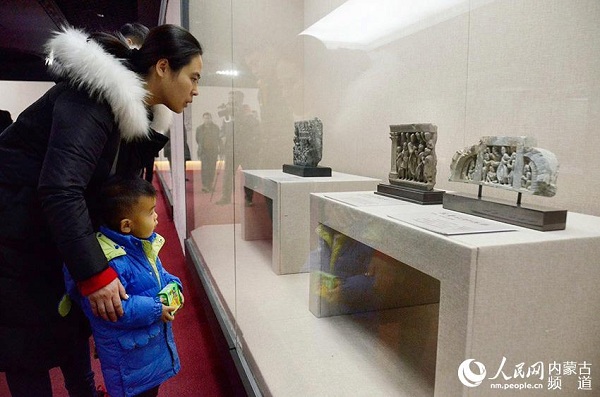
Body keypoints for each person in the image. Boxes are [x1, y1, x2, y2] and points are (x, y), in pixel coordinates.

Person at [0, 24, 202, 396]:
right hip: (17, 235)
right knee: (25, 345)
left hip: (55, 232)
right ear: (162, 67)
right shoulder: (91, 99)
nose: (195, 89)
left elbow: (111, 195)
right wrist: (95, 274)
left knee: (72, 329)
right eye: (192, 76)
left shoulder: (135, 119)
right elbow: (61, 188)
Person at [63, 176, 183, 397]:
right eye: (150, 212)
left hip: (147, 351)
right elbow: (113, 309)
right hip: (129, 362)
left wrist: (173, 284)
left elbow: (158, 274)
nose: (157, 217)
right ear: (127, 225)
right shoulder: (110, 262)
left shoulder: (141, 246)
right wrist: (156, 308)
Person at [195, 112, 221, 192]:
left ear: (211, 118)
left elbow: (218, 139)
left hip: (213, 152)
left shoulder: (216, 128)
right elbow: (197, 139)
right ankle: (205, 186)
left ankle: (210, 185)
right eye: (205, 118)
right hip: (204, 152)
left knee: (212, 169)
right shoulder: (199, 129)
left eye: (208, 118)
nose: (207, 120)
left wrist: (221, 150)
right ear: (203, 119)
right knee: (205, 169)